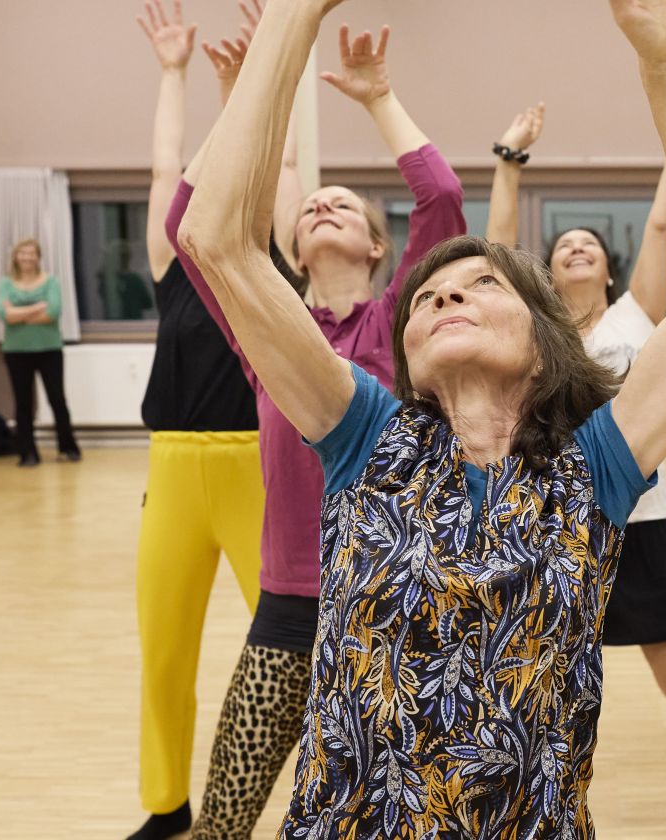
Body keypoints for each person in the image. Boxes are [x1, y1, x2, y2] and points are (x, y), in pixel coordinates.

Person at [174, 0, 666, 834]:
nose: (447, 294)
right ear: (407, 353)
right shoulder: (365, 436)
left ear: (543, 342)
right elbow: (216, 239)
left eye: (483, 284)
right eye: (428, 297)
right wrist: (293, 16)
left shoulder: (596, 463)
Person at [173, 14, 468, 840]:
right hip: (289, 603)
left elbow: (442, 199)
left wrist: (377, 98)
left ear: (377, 248)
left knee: (394, 814)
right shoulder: (268, 335)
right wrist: (246, 96)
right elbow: (189, 227)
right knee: (223, 818)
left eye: (343, 204)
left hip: (396, 601)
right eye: (310, 207)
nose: (324, 204)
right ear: (296, 251)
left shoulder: (402, 324)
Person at [484, 74, 666, 836]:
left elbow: (665, 221)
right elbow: (496, 253)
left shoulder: (638, 316)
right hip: (551, 529)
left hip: (642, 526)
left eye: (590, 246)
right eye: (564, 246)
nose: (576, 248)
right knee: (528, 687)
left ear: (608, 270)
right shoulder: (533, 336)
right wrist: (509, 161)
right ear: (548, 273)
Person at [124, 3, 265, 838]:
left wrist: (248, 85)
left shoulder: (262, 265)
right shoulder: (172, 268)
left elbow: (272, 162)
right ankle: (166, 803)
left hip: (256, 468)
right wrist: (174, 75)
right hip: (173, 470)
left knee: (290, 645)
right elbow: (163, 168)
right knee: (164, 648)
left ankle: (330, 789)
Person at [0, 237, 80, 466]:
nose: (27, 257)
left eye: (31, 253)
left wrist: (19, 313)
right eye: (22, 253)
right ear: (16, 257)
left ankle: (68, 448)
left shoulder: (51, 282)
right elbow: (5, 315)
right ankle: (28, 453)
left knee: (57, 399)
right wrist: (37, 307)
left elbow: (52, 312)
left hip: (49, 349)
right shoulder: (5, 283)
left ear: (38, 257)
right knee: (23, 403)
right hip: (16, 351)